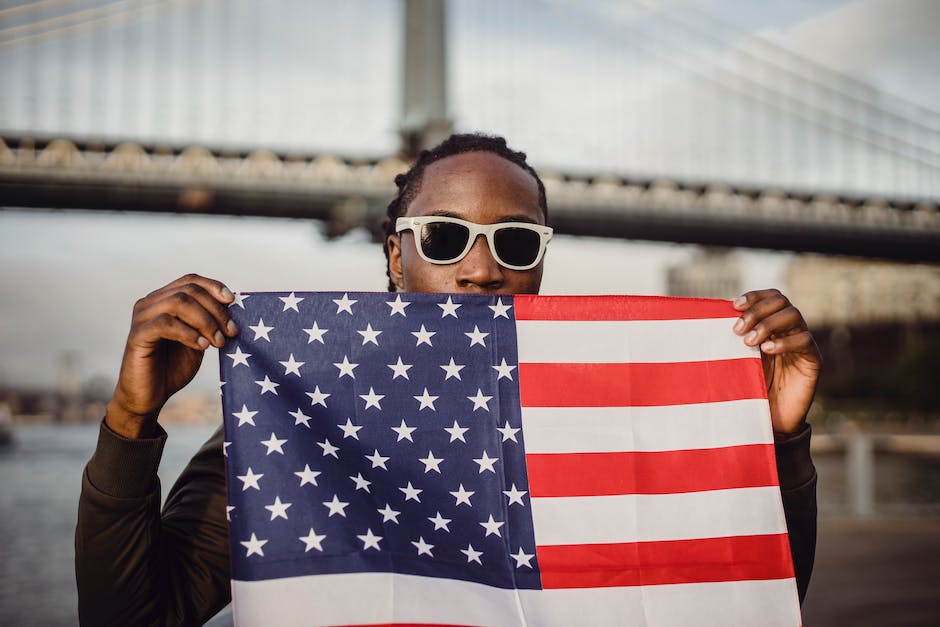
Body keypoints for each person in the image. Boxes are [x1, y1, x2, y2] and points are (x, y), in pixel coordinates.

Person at [76, 134, 820, 625]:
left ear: (538, 263)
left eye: (515, 240)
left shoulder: (616, 412)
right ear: (398, 257)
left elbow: (743, 592)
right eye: (444, 235)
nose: (481, 266)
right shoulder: (302, 413)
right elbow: (138, 615)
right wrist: (130, 419)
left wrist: (780, 440)